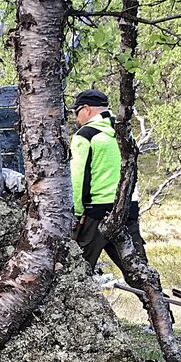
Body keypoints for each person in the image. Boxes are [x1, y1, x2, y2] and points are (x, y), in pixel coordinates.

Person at [69, 89, 154, 287]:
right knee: (140, 274)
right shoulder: (124, 132)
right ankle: (162, 315)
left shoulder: (85, 135)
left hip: (96, 212)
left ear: (87, 109)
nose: (76, 117)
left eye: (76, 111)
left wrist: (77, 213)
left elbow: (78, 177)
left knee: (77, 273)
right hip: (127, 207)